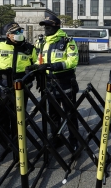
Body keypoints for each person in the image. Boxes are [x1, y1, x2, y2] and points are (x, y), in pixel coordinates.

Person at [26, 13, 79, 150]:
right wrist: (34, 67)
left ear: (56, 26)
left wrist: (51, 66)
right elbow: (39, 60)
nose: (46, 28)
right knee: (53, 114)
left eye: (49, 25)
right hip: (49, 82)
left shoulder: (67, 41)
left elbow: (73, 61)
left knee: (70, 113)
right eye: (44, 26)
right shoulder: (41, 42)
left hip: (65, 81)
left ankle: (74, 140)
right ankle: (56, 138)